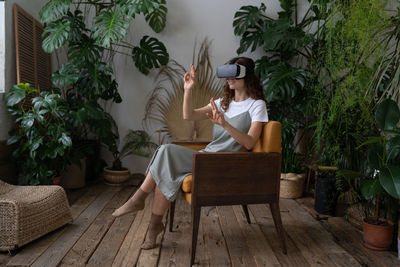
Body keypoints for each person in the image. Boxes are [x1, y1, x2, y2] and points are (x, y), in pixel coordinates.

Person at [112, 56, 268, 249]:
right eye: (226, 74)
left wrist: (225, 124)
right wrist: (188, 90)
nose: (228, 78)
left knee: (166, 152)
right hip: (207, 157)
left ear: (247, 75)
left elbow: (251, 143)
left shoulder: (257, 105)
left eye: (233, 73)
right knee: (166, 163)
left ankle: (138, 199)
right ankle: (154, 226)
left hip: (226, 164)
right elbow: (189, 116)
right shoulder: (223, 103)